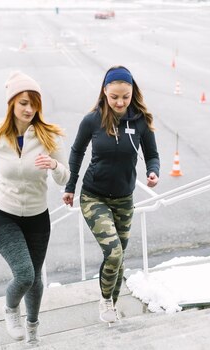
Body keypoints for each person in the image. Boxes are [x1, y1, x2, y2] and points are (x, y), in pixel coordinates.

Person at [0, 71, 70, 344]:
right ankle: (11, 309)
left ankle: (33, 326)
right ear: (12, 104)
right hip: (3, 215)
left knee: (36, 279)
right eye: (24, 103)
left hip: (37, 218)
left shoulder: (49, 137)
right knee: (25, 274)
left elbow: (66, 176)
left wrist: (54, 166)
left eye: (34, 103)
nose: (29, 109)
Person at [63, 65, 160, 324]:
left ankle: (112, 305)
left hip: (124, 199)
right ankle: (106, 300)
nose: (120, 102)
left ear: (132, 93)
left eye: (125, 97)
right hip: (94, 196)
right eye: (114, 96)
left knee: (118, 256)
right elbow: (76, 152)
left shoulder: (140, 120)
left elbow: (152, 154)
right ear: (105, 91)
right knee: (114, 252)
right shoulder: (92, 120)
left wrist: (153, 172)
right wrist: (70, 186)